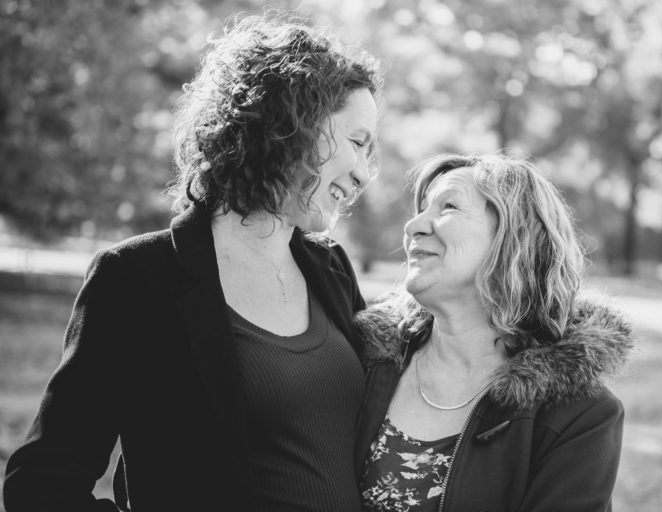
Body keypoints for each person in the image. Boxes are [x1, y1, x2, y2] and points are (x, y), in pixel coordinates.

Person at [4, 14, 381, 512]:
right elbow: (43, 483)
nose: (364, 174)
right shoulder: (137, 277)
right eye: (357, 142)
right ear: (292, 120)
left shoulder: (331, 269)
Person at [354, 154, 634, 512]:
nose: (413, 226)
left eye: (448, 207)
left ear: (512, 241)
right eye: (422, 208)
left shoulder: (580, 417)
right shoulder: (361, 361)